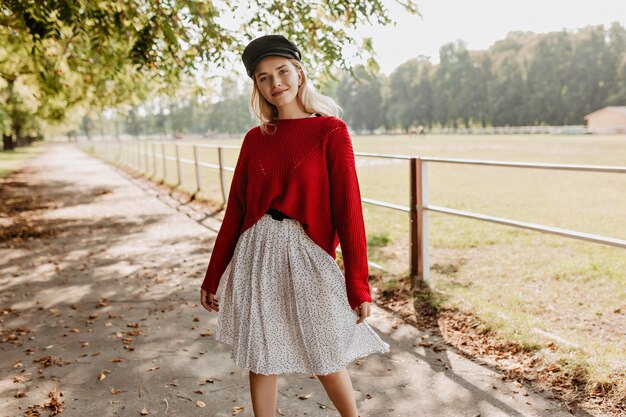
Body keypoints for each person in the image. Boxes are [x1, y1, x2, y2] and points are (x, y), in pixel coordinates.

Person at [200, 34, 390, 417]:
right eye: (263, 77)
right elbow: (235, 211)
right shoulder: (255, 139)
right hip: (255, 253)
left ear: (300, 73)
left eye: (282, 71)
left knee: (324, 350)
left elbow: (348, 209)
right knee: (261, 353)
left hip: (305, 253)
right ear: (256, 86)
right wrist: (212, 275)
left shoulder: (331, 132)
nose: (275, 83)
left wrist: (358, 283)